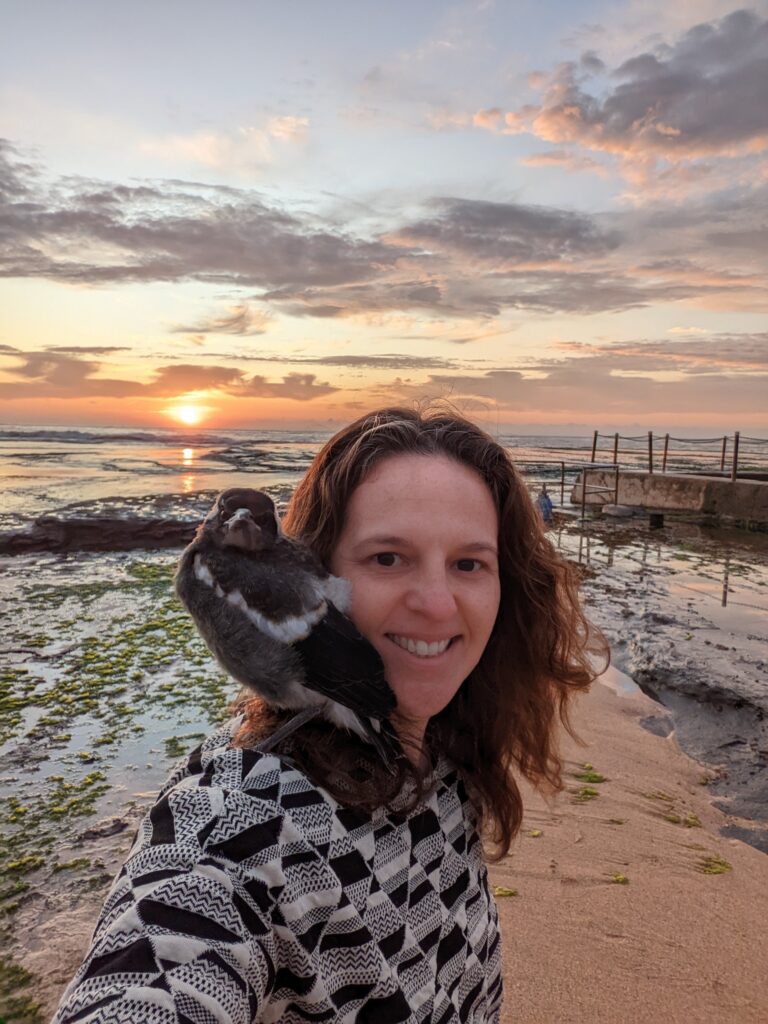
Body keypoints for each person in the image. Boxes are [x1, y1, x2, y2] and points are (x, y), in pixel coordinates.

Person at [54, 406, 606, 1024]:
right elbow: (163, 958)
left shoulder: (447, 762)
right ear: (320, 568)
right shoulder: (232, 825)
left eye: (469, 563)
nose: (435, 603)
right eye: (387, 558)